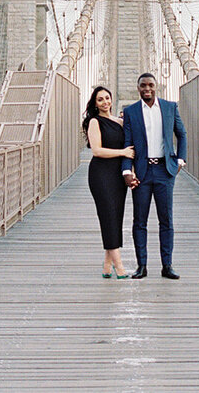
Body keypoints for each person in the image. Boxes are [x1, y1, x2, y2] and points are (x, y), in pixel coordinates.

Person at [121, 72, 186, 280]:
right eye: (143, 86)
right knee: (139, 220)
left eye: (150, 85)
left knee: (166, 220)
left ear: (155, 87)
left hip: (164, 171)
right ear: (138, 88)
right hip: (141, 172)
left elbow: (181, 133)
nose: (147, 89)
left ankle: (167, 265)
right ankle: (142, 266)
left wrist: (180, 160)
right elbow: (127, 143)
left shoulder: (170, 107)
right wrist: (126, 170)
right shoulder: (130, 112)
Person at [84, 86, 134, 278]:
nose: (105, 102)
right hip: (100, 175)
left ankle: (107, 265)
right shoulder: (95, 122)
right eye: (100, 99)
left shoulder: (121, 122)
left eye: (107, 98)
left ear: (112, 100)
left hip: (118, 175)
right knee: (107, 216)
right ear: (95, 104)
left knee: (115, 217)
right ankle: (119, 267)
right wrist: (122, 152)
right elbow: (96, 150)